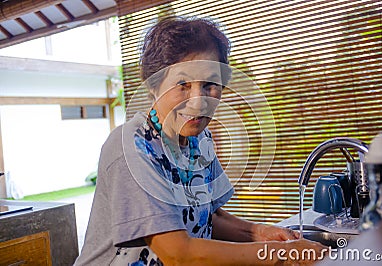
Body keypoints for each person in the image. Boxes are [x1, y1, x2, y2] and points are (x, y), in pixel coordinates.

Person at [74, 16, 325, 265]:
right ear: (153, 85)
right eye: (182, 84)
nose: (198, 101)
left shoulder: (199, 140)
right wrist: (280, 254)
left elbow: (207, 217)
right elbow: (177, 254)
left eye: (210, 84)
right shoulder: (132, 145)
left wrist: (257, 233)